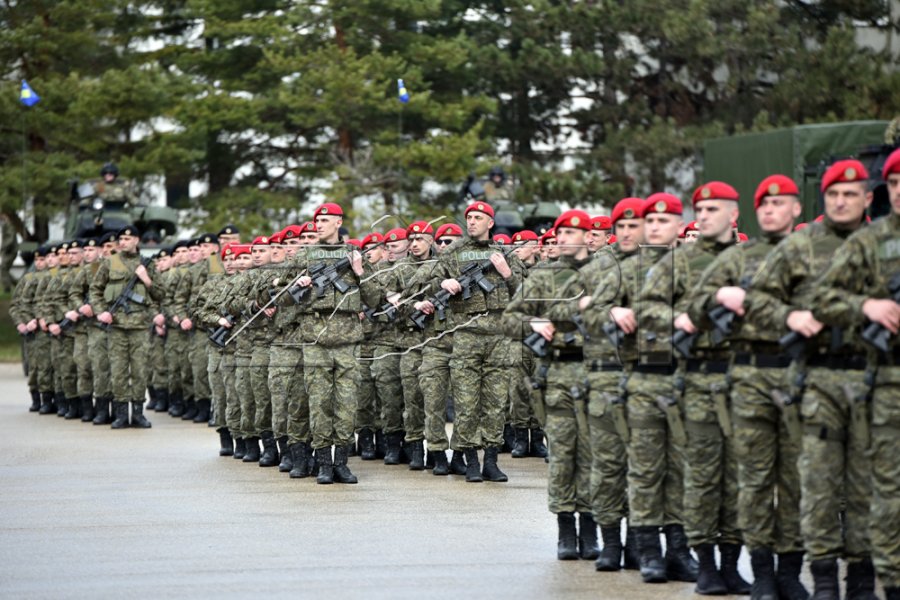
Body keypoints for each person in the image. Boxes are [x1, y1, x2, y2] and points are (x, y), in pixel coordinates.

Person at [739, 160, 874, 599]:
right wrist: (790, 316)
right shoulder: (799, 247)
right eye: (833, 193)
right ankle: (818, 583)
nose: (841, 200)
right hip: (817, 379)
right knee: (816, 486)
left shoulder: (884, 243)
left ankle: (861, 581)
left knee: (868, 487)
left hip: (878, 380)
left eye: (851, 194)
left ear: (869, 198)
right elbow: (757, 299)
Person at [689, 174, 807, 599]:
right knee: (754, 480)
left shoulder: (814, 253)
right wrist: (721, 296)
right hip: (750, 376)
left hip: (799, 375)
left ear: (797, 208)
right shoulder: (740, 257)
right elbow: (695, 307)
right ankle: (761, 572)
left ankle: (791, 570)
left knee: (795, 480)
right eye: (765, 204)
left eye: (781, 203)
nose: (772, 210)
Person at [808, 148, 900, 600]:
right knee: (878, 488)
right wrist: (866, 306)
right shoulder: (869, 242)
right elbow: (822, 299)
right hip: (880, 381)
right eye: (895, 184)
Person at [504, 209, 597, 559]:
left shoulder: (605, 275)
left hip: (597, 376)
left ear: (588, 237)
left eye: (571, 232)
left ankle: (590, 531)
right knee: (562, 455)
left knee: (593, 458)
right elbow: (510, 320)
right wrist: (533, 322)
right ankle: (565, 531)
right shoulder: (543, 277)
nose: (562, 238)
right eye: (560, 233)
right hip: (557, 377)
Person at [419, 201, 526, 482]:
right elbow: (429, 283)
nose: (472, 222)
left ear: (491, 223)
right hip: (466, 335)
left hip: (499, 336)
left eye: (478, 217)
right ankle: (471, 463)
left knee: (495, 402)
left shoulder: (504, 253)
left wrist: (506, 273)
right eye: (469, 217)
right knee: (466, 403)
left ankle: (491, 461)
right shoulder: (454, 252)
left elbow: (524, 294)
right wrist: (443, 284)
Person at [90, 225, 163, 428]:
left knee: (140, 370)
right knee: (119, 369)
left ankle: (138, 413)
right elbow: (95, 290)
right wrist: (101, 311)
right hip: (117, 325)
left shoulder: (147, 264)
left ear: (136, 241)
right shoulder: (109, 262)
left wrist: (146, 279)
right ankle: (121, 413)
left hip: (140, 325)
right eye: (121, 239)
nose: (123, 242)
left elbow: (161, 293)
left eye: (128, 239)